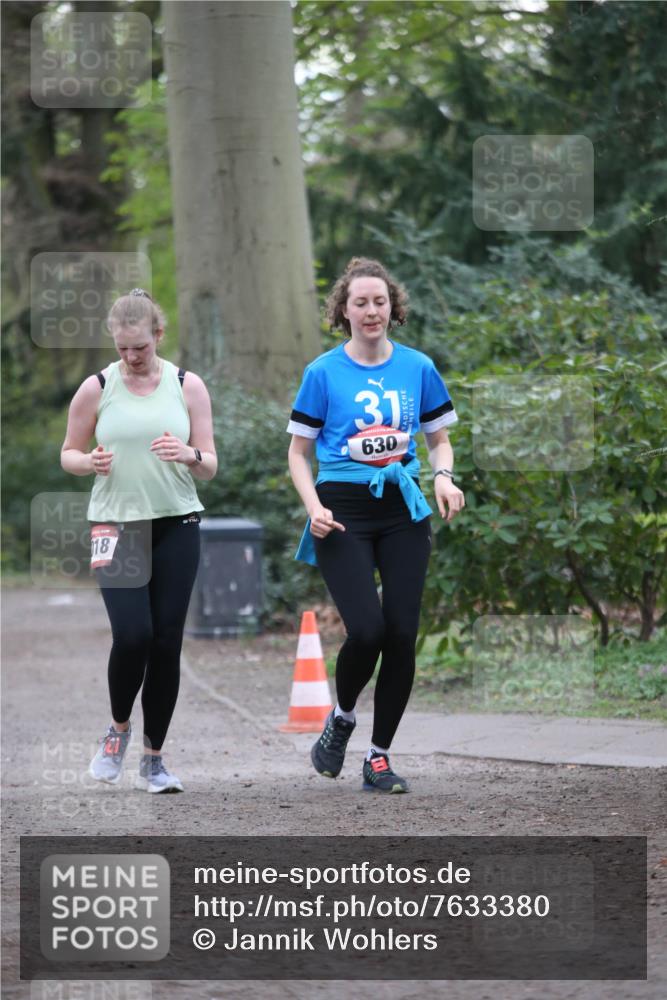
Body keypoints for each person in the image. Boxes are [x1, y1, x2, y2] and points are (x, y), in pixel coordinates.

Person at [287, 258, 464, 794]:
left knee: (403, 635)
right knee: (367, 629)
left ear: (393, 307)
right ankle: (341, 719)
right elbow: (297, 454)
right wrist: (312, 506)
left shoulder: (417, 367)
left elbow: (438, 438)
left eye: (380, 301)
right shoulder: (322, 372)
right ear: (343, 309)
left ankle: (379, 757)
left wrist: (444, 477)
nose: (371, 311)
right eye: (360, 302)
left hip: (403, 508)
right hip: (341, 510)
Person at [61, 289, 217, 793]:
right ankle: (117, 731)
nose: (131, 358)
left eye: (140, 348)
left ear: (158, 335)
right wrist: (89, 463)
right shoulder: (97, 387)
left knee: (167, 643)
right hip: (115, 526)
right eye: (123, 348)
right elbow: (68, 452)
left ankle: (154, 759)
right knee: (133, 635)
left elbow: (211, 465)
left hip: (178, 524)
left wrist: (188, 453)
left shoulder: (187, 386)